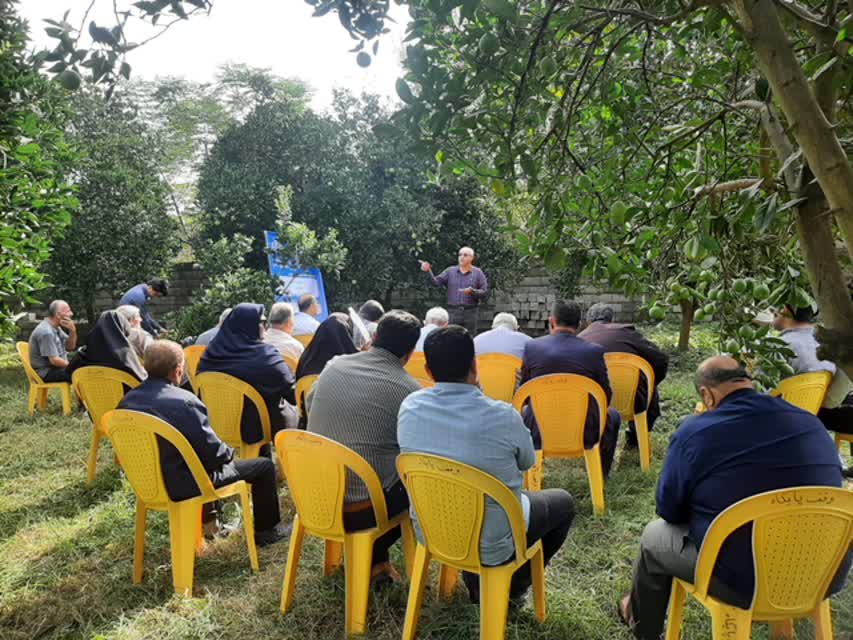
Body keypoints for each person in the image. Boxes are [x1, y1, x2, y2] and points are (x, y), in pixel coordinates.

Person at [618, 356, 850, 640]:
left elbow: (669, 509)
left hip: (741, 579)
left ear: (707, 394)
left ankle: (641, 625)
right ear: (747, 382)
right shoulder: (810, 422)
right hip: (822, 571)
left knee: (654, 536)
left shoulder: (696, 431)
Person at [399, 326, 575, 604]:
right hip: (493, 542)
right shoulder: (503, 416)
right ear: (474, 365)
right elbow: (527, 461)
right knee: (563, 503)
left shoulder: (409, 407)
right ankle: (514, 588)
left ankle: (480, 583)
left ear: (429, 372)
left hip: (433, 527)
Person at [118, 340, 288, 546]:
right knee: (263, 466)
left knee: (196, 462)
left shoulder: (126, 402)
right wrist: (228, 452)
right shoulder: (184, 402)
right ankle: (266, 532)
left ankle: (210, 524)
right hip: (184, 484)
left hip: (146, 482)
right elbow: (215, 455)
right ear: (177, 370)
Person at [307, 310, 422, 582]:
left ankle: (376, 561)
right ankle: (376, 557)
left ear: (373, 337)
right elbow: (416, 448)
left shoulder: (334, 365)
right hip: (361, 511)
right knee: (421, 484)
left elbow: (310, 405)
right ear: (410, 352)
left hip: (313, 495)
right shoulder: (408, 390)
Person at [520, 300, 621, 477]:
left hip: (539, 431)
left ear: (552, 321)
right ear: (580, 324)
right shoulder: (594, 351)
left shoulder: (532, 347)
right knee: (613, 415)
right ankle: (601, 474)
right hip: (585, 432)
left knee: (527, 410)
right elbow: (605, 396)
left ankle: (530, 475)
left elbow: (524, 393)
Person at [197, 303, 297, 453]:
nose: (264, 326)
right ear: (249, 326)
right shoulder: (265, 356)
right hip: (255, 428)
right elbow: (291, 392)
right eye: (261, 322)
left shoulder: (209, 354)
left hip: (215, 421)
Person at [579, 302, 669, 446]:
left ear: (588, 322)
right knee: (647, 382)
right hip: (633, 400)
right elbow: (660, 359)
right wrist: (651, 384)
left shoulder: (580, 338)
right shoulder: (627, 332)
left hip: (594, 403)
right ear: (612, 319)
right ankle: (635, 438)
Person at [773, 304, 853, 436]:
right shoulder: (827, 343)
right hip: (811, 415)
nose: (773, 311)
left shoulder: (777, 345)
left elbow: (759, 392)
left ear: (785, 310)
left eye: (775, 308)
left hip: (779, 419)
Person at [420, 246, 488, 335]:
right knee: (451, 337)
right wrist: (428, 271)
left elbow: (484, 292)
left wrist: (472, 291)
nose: (461, 257)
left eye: (465, 255)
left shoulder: (478, 273)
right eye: (460, 255)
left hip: (470, 312)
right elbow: (436, 283)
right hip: (453, 311)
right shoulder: (450, 271)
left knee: (470, 338)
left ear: (472, 258)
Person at [67, 310, 147, 382]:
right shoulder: (126, 356)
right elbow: (140, 380)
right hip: (125, 397)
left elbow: (66, 374)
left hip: (92, 397)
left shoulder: (84, 355)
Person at [28, 300, 78, 383]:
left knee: (84, 368)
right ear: (58, 315)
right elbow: (54, 360)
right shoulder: (46, 332)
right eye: (68, 311)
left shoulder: (56, 327)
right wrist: (73, 367)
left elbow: (70, 347)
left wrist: (72, 331)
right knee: (81, 375)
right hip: (46, 373)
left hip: (55, 368)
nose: (71, 314)